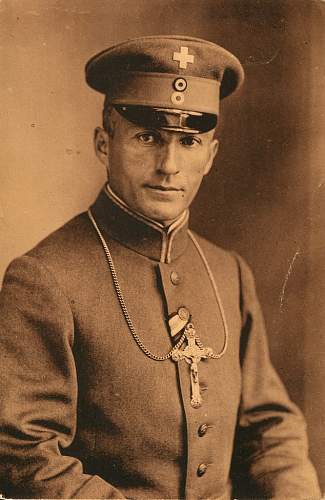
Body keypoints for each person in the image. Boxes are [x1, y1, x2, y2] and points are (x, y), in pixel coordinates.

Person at [0, 35, 320, 499]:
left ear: (210, 157)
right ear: (104, 144)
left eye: (189, 142)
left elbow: (269, 425)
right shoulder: (44, 278)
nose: (169, 165)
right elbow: (23, 455)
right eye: (147, 137)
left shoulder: (227, 271)